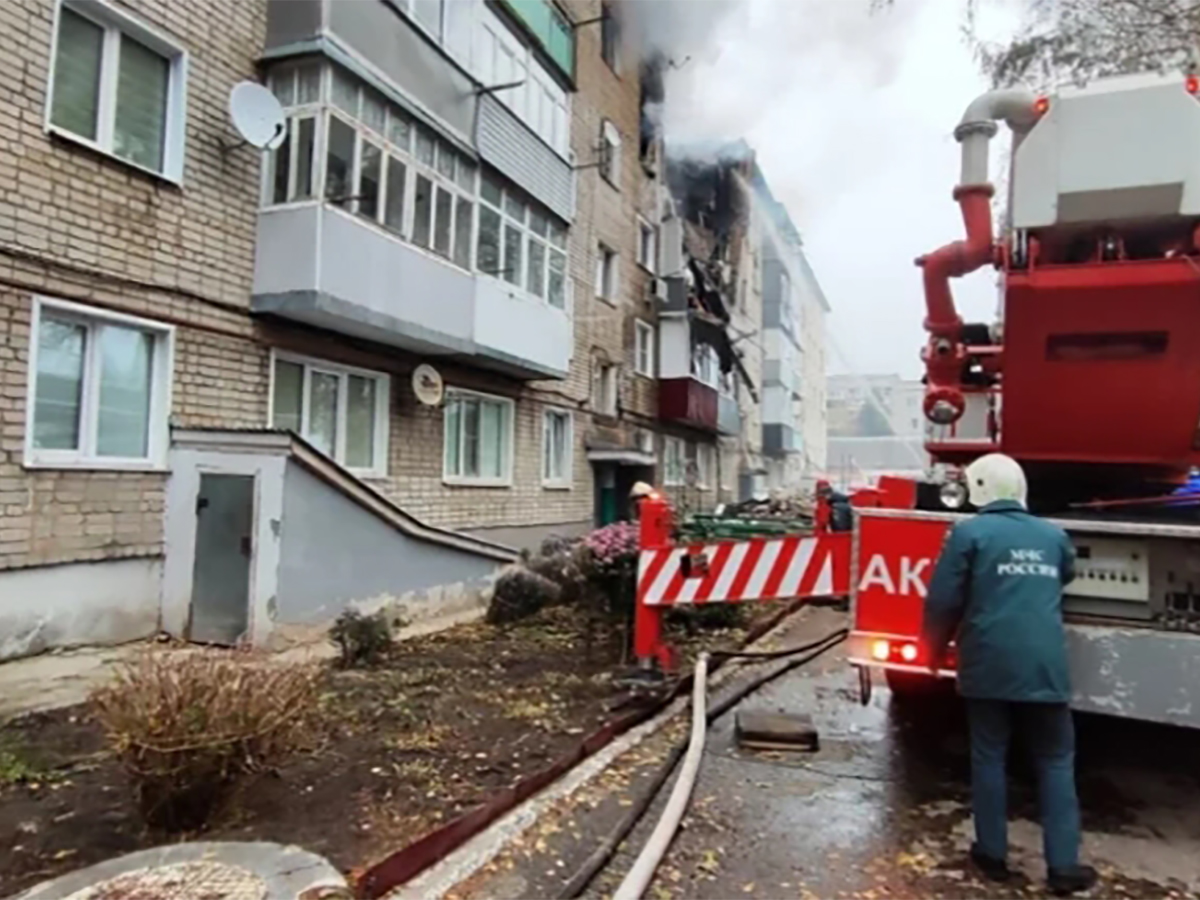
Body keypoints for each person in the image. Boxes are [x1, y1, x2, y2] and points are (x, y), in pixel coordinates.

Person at [920, 453, 1097, 896]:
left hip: (988, 664)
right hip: (1045, 667)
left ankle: (992, 855)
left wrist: (933, 652)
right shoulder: (1053, 536)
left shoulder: (968, 533)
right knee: (1056, 760)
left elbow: (943, 601)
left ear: (978, 490)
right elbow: (1065, 576)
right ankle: (1063, 867)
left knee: (989, 755)